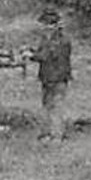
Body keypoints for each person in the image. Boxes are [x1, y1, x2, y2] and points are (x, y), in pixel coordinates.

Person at [31, 8, 73, 141]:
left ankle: (57, 136)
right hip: (47, 77)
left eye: (46, 25)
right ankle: (48, 133)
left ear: (53, 26)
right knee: (47, 106)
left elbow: (46, 55)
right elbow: (42, 52)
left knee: (56, 107)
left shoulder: (60, 40)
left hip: (57, 78)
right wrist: (32, 51)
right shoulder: (48, 39)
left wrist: (31, 55)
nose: (44, 28)